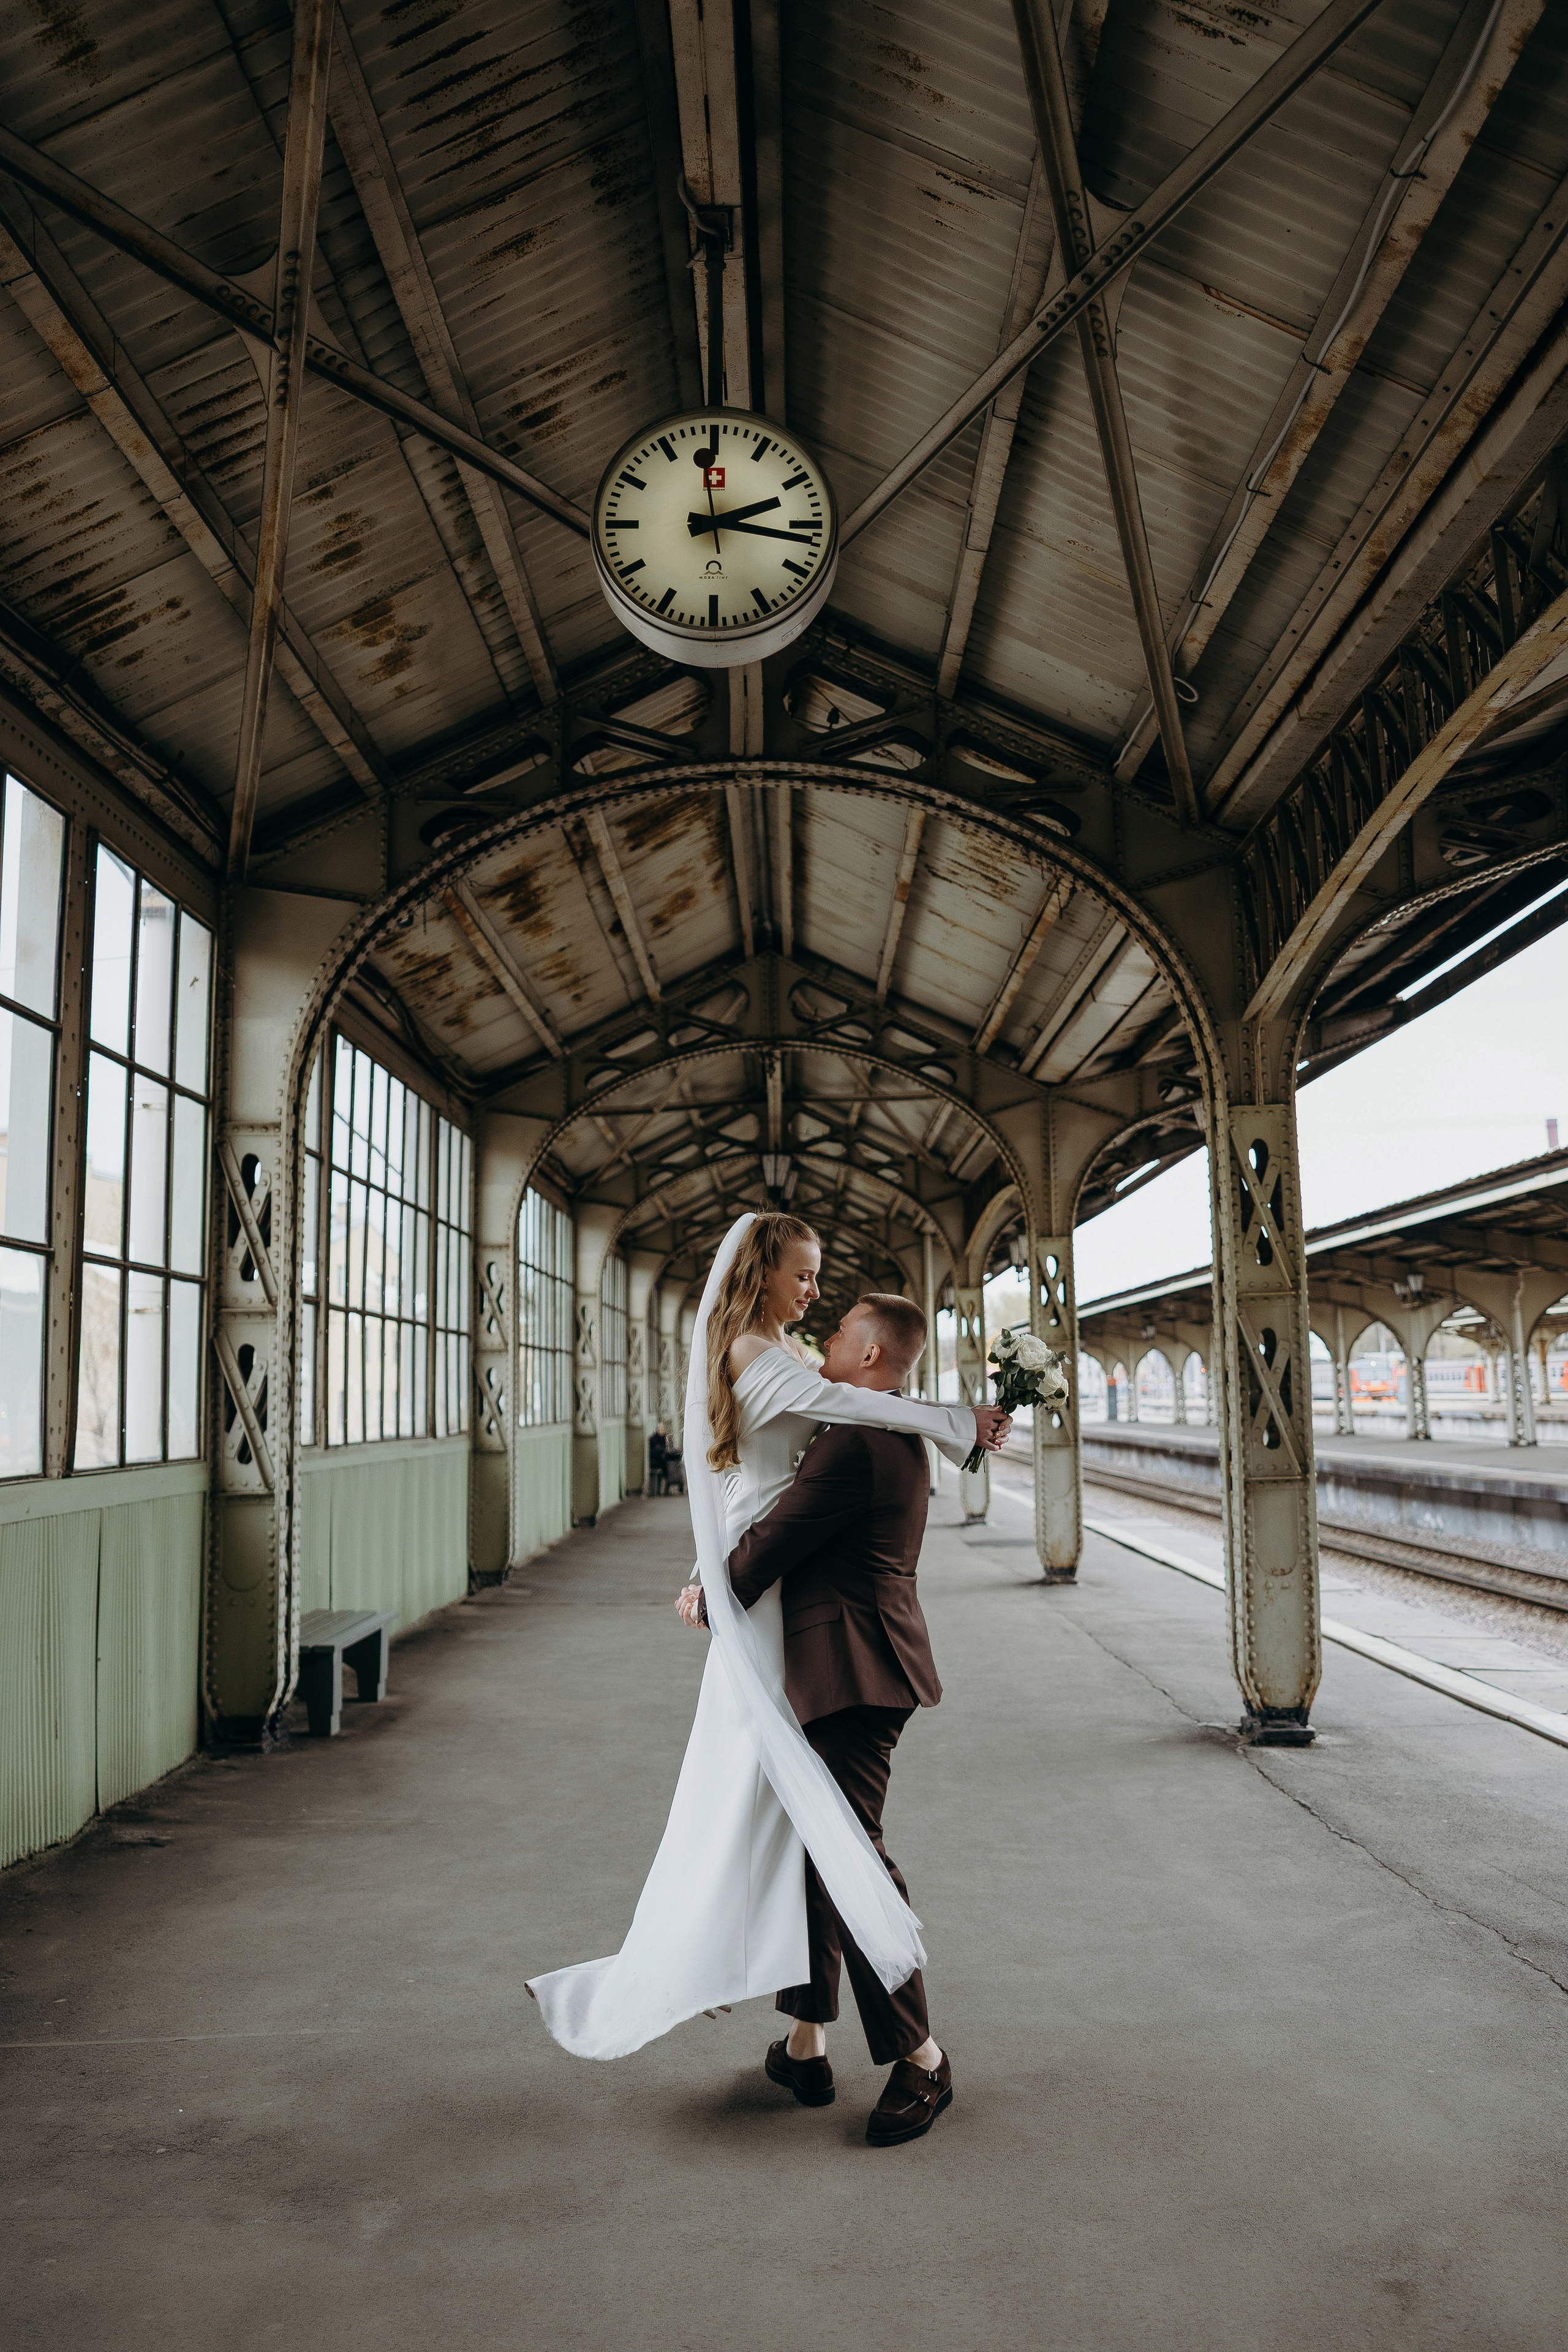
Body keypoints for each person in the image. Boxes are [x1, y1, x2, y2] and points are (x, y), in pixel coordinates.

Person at [526, 1212, 1010, 2065]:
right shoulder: (766, 1360)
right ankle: (849, 2039)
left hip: (809, 1617)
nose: (816, 1293)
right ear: (762, 1274)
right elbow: (790, 1457)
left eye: (821, 1280)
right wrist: (955, 1422)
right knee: (807, 1822)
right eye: (804, 1274)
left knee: (806, 1825)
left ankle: (817, 2037)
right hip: (784, 1609)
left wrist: (711, 1577)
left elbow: (774, 1479)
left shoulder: (789, 1362)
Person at [694, 1291, 955, 2145]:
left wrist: (711, 1593)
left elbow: (780, 1535)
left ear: (870, 1354)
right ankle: (806, 2044)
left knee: (850, 1859)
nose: (825, 1338)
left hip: (854, 1671)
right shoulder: (878, 1426)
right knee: (820, 1851)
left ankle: (921, 2059)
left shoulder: (856, 1440)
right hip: (852, 1664)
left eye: (840, 1332)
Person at [647, 1422, 669, 1496]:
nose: (662, 1431)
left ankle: (663, 1489)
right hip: (656, 1461)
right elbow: (654, 1452)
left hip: (661, 1460)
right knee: (665, 1466)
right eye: (660, 1429)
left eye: (662, 1429)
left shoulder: (665, 1439)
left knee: (667, 1464)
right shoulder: (653, 1439)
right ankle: (662, 1489)